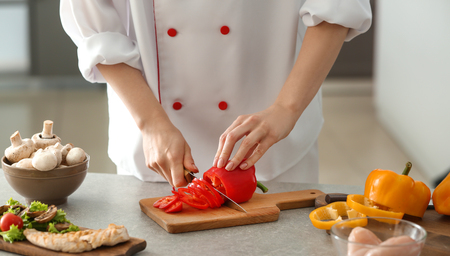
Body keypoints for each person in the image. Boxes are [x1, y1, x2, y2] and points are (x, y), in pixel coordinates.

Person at [60, 0, 372, 187]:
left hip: (274, 142)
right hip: (152, 143)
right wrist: (151, 123)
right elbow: (95, 27)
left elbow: (337, 6)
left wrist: (287, 108)